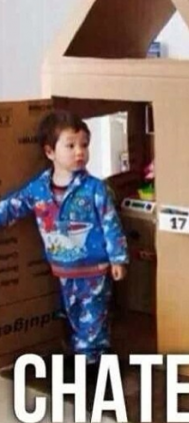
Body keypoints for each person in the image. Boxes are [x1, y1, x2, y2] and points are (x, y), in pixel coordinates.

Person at [0, 110, 128, 370]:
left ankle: (93, 362)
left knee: (94, 318)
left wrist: (118, 258)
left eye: (84, 145)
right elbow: (13, 206)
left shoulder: (95, 188)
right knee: (72, 315)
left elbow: (110, 223)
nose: (80, 152)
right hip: (63, 269)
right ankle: (84, 353)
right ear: (50, 152)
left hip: (94, 269)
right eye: (70, 146)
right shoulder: (38, 189)